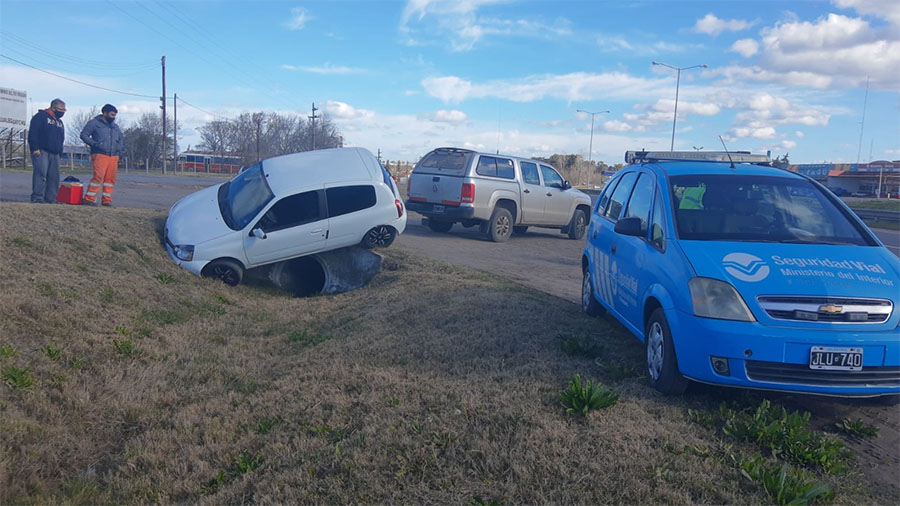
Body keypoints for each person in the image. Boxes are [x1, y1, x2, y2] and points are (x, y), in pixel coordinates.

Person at [80, 104, 124, 206]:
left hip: (113, 156)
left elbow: (121, 137)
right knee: (98, 177)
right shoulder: (94, 123)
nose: (113, 117)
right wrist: (95, 144)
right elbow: (84, 135)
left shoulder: (115, 126)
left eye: (115, 115)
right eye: (112, 114)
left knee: (110, 179)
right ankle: (89, 199)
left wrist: (119, 147)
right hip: (100, 154)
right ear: (105, 113)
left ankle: (106, 200)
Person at [27, 98, 66, 203]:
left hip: (55, 153)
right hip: (42, 151)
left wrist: (60, 152)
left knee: (54, 177)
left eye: (64, 111)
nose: (62, 112)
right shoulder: (40, 117)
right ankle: (37, 197)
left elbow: (62, 138)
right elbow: (33, 133)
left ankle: (51, 198)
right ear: (53, 107)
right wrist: (34, 148)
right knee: (41, 175)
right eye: (61, 110)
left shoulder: (59, 122)